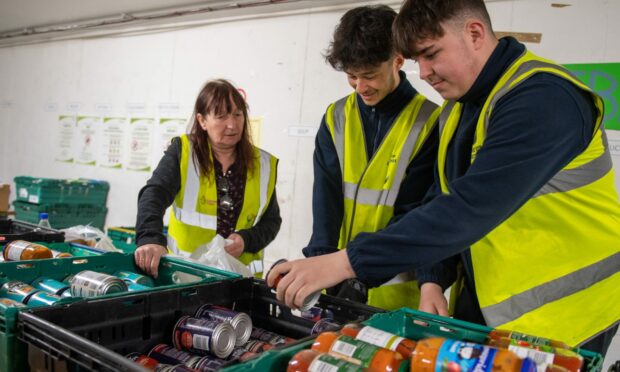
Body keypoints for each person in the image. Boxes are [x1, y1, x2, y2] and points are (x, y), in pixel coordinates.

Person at [268, 0, 620, 356]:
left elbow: (468, 207)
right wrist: (433, 280)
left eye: (431, 54)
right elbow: (439, 197)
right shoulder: (460, 106)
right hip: (495, 306)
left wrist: (343, 263)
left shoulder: (544, 98)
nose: (424, 73)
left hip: (567, 316)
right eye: (418, 59)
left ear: (475, 33)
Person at [302, 5, 440, 310]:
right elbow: (326, 199)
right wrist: (319, 265)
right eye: (352, 76)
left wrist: (361, 274)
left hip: (400, 292)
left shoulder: (430, 123)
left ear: (398, 60)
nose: (360, 87)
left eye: (369, 76)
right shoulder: (336, 117)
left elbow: (420, 211)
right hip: (339, 282)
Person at [135, 79, 281, 279]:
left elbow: (271, 221)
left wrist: (247, 240)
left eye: (238, 115)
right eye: (221, 116)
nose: (232, 124)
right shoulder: (184, 153)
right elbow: (154, 194)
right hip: (187, 277)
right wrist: (150, 238)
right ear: (202, 121)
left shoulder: (262, 164)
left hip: (240, 281)